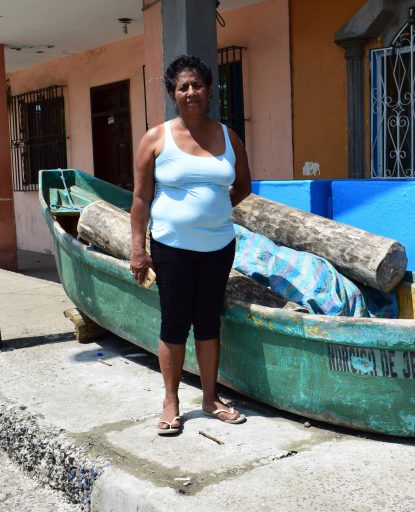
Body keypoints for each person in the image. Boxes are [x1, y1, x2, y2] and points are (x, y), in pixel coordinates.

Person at [130, 54, 252, 435]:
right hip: (171, 247)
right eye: (182, 86)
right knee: (174, 323)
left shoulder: (229, 136)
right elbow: (140, 199)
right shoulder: (156, 138)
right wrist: (138, 248)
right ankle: (171, 401)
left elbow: (244, 186)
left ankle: (211, 398)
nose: (190, 92)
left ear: (210, 90)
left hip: (218, 247)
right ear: (173, 94)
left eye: (197, 84)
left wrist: (213, 212)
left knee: (209, 323)